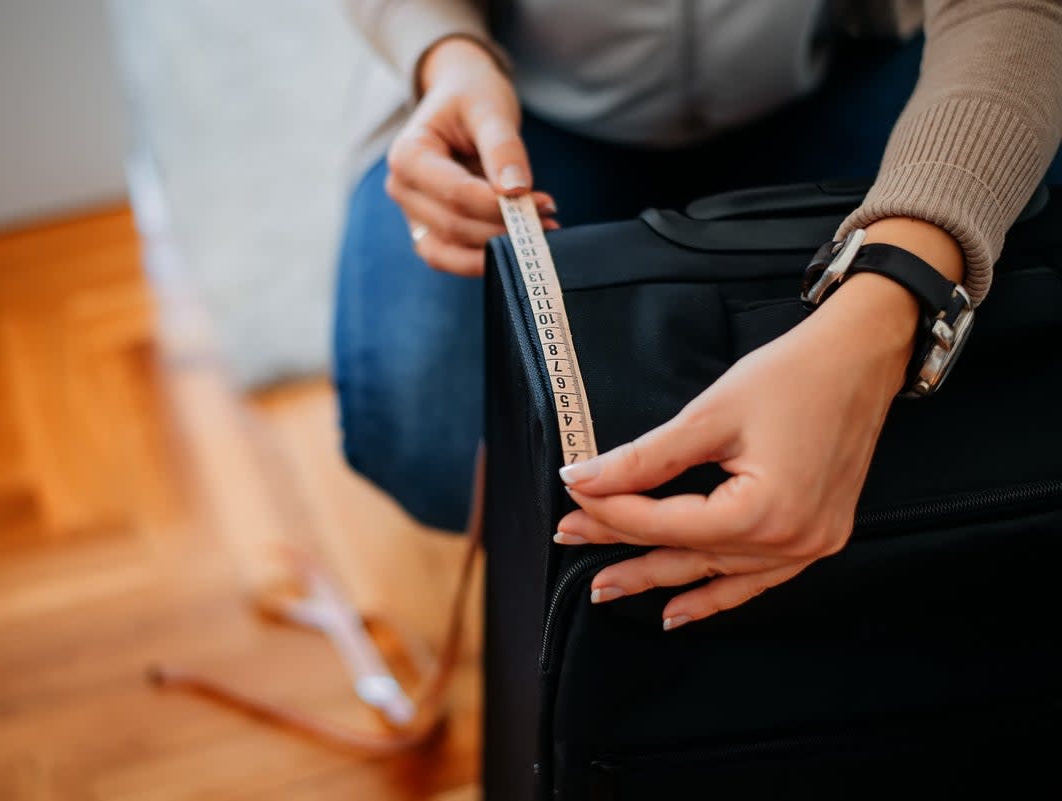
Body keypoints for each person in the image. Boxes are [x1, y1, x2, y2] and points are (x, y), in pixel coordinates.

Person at [334, 1, 1062, 629]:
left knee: (1003, 395)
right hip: (524, 104)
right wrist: (445, 52)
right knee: (429, 438)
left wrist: (889, 298)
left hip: (849, 74)